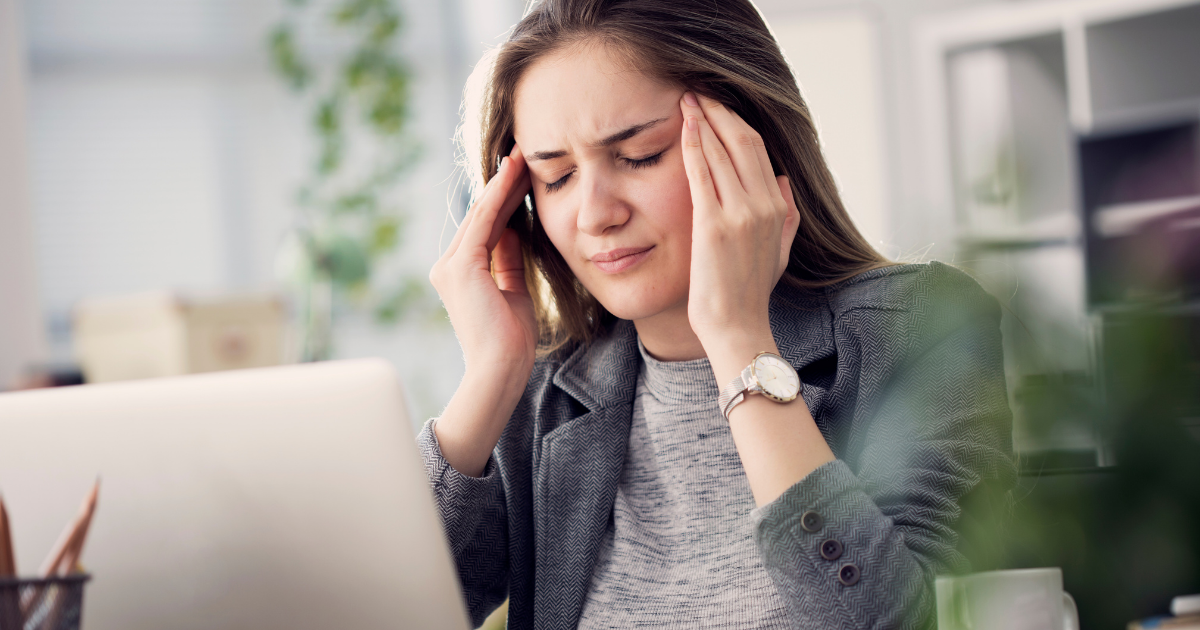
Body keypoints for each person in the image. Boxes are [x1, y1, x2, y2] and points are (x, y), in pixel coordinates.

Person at [419, 0, 1016, 628]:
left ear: (750, 144)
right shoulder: (545, 397)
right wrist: (490, 377)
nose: (595, 214)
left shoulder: (918, 327)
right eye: (558, 175)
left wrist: (739, 339)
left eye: (641, 155)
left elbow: (914, 619)